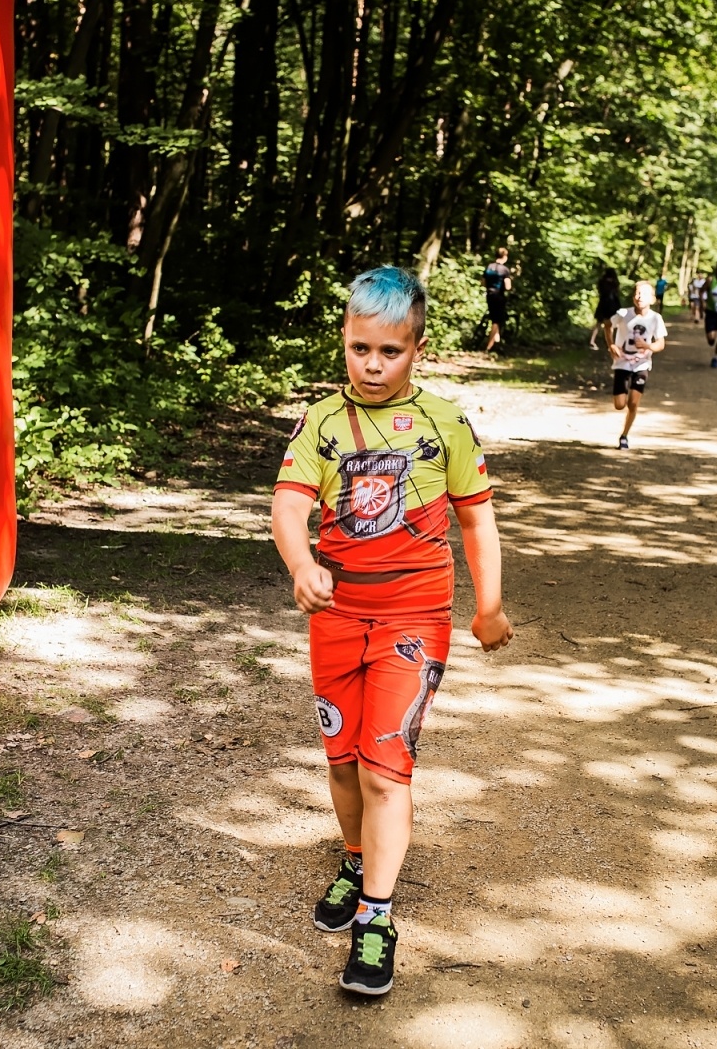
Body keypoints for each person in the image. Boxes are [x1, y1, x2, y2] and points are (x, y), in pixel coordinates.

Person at [272, 266, 512, 997]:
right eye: (359, 348)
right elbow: (287, 505)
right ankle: (353, 860)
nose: (372, 365)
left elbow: (477, 518)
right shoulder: (321, 420)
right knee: (341, 761)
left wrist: (490, 606)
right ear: (344, 342)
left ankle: (377, 916)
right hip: (336, 618)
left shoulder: (445, 422)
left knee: (384, 768)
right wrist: (300, 561)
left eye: (389, 352)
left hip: (415, 618)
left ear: (419, 348)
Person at [608, 281, 668, 450]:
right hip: (622, 363)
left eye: (644, 294)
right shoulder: (622, 313)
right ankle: (624, 425)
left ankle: (624, 435)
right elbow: (607, 326)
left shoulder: (656, 318)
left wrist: (648, 346)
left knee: (633, 403)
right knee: (619, 404)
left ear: (653, 299)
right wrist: (611, 344)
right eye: (637, 293)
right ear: (633, 296)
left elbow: (661, 344)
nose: (639, 297)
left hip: (642, 364)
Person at [482, 247, 511, 353]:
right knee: (496, 321)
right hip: (499, 296)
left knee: (495, 319)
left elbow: (483, 282)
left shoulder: (489, 267)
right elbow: (508, 286)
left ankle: (497, 345)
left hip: (489, 295)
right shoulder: (504, 269)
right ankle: (489, 347)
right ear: (504, 256)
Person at [588, 267, 621, 350]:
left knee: (599, 323)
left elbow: (601, 291)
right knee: (611, 324)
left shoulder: (602, 282)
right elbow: (616, 293)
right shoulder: (614, 283)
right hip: (612, 305)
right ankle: (610, 343)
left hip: (603, 304)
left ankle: (592, 341)